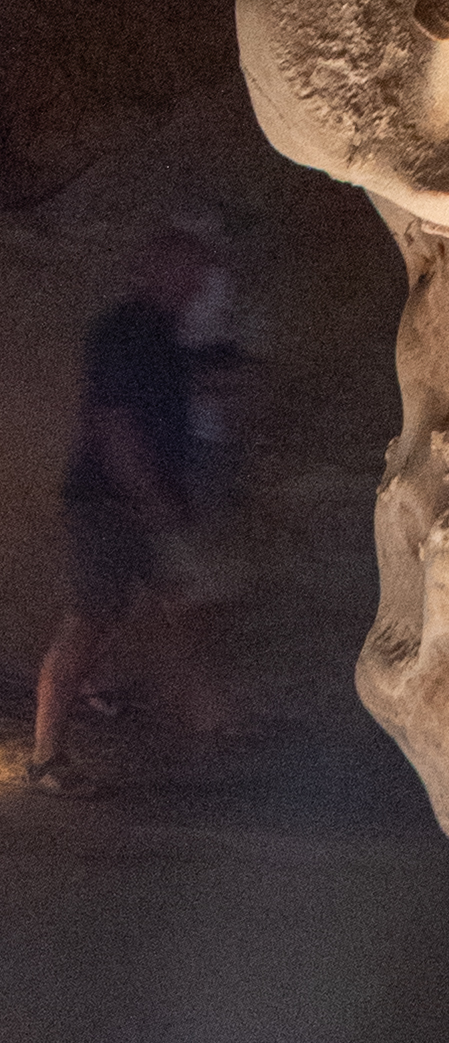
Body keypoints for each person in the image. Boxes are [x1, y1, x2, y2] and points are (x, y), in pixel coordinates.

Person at [30, 224, 234, 787]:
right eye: (185, 269)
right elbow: (114, 425)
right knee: (90, 619)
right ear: (152, 270)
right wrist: (151, 501)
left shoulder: (167, 337)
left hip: (148, 503)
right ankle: (47, 758)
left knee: (186, 607)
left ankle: (211, 728)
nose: (195, 282)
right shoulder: (125, 332)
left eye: (201, 272)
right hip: (111, 503)